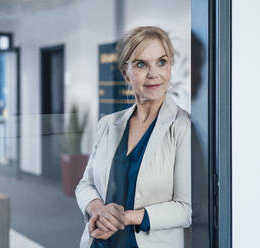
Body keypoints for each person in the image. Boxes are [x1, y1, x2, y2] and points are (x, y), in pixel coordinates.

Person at [75, 26, 191, 248]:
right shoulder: (108, 124)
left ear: (170, 67)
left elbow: (185, 209)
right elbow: (85, 184)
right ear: (125, 73)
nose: (153, 73)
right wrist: (97, 208)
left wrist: (127, 217)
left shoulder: (183, 127)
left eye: (161, 62)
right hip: (98, 244)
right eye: (141, 64)